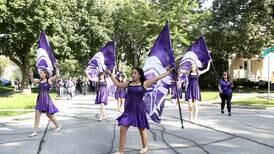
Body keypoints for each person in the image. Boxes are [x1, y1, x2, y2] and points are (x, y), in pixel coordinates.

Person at [106, 67, 174, 154]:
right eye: (132, 73)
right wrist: (111, 75)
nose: (132, 74)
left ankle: (145, 147)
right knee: (123, 128)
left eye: (135, 73)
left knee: (142, 128)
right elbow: (118, 85)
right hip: (129, 109)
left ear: (139, 75)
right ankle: (121, 151)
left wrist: (168, 72)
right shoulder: (129, 83)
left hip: (139, 108)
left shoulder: (144, 83)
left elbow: (157, 78)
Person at [28, 67, 61, 137]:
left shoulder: (49, 80)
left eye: (41, 73)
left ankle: (58, 126)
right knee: (37, 115)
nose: (40, 74)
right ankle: (34, 131)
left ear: (45, 74)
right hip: (40, 99)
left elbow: (57, 76)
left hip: (46, 99)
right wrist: (31, 75)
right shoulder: (39, 81)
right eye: (40, 73)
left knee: (49, 115)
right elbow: (33, 81)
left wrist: (57, 68)